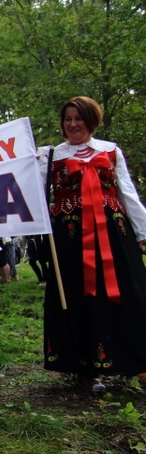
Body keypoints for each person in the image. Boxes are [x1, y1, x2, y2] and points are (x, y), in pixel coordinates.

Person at [37, 96, 146, 391]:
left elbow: (127, 192)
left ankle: (138, 363)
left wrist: (143, 232)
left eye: (78, 119)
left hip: (113, 235)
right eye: (67, 119)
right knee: (77, 296)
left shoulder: (110, 151)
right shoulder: (48, 156)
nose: (72, 124)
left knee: (128, 292)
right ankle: (85, 367)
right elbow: (30, 193)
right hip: (70, 239)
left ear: (91, 120)